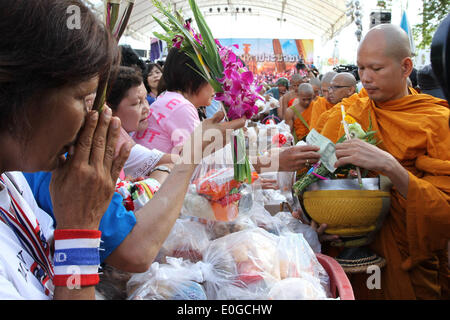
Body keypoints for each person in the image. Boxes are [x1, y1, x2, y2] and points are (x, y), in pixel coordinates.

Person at [0, 0, 246, 300]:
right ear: (19, 88)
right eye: (83, 98)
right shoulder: (48, 175)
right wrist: (79, 228)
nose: (97, 116)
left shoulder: (13, 182)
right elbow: (136, 250)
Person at [316, 24, 450, 299]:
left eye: (376, 69)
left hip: (408, 260)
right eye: (361, 68)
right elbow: (315, 178)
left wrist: (390, 166)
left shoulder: (436, 122)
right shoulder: (346, 113)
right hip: (349, 255)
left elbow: (443, 211)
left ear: (406, 67)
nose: (366, 78)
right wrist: (317, 221)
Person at [132, 47, 214, 154]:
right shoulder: (182, 107)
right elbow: (193, 162)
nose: (216, 86)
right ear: (193, 78)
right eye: (211, 76)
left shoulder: (167, 98)